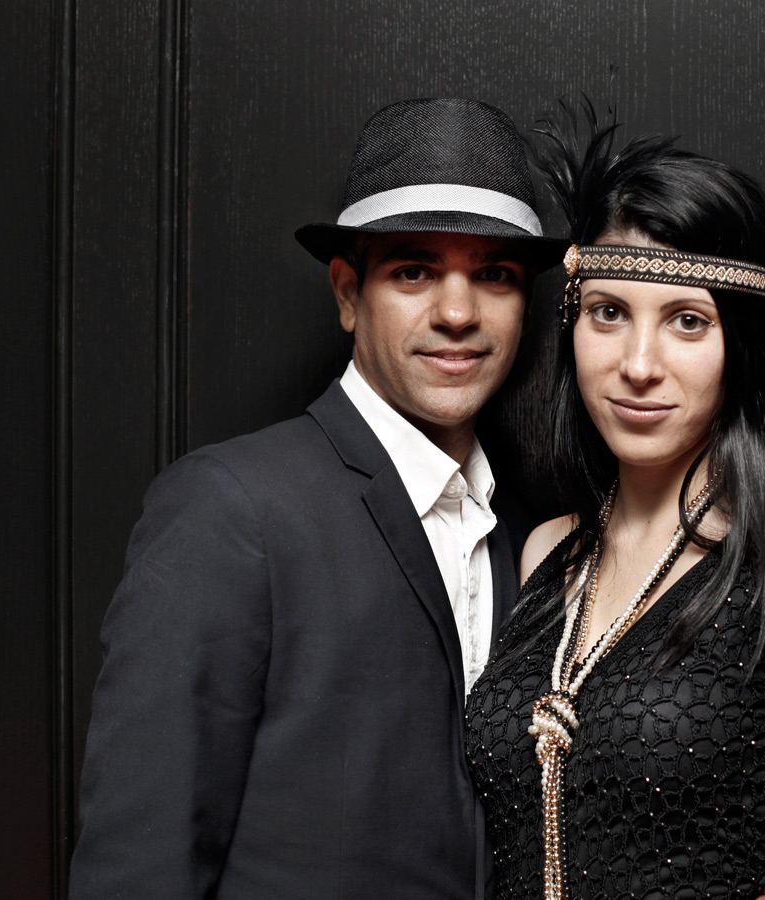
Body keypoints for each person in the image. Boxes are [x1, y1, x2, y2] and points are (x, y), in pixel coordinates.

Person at [69, 98, 569, 900]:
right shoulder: (230, 509)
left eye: (494, 275)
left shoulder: (533, 537)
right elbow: (139, 864)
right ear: (347, 293)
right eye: (413, 271)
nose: (457, 312)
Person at [465, 123, 765, 900]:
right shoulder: (547, 552)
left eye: (687, 321)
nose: (638, 365)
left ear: (739, 342)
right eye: (609, 312)